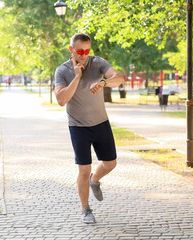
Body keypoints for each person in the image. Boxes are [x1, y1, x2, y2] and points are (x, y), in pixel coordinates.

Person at [54, 33, 124, 224]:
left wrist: (103, 82)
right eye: (80, 51)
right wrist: (77, 77)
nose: (84, 55)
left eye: (87, 50)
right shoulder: (62, 71)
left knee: (111, 163)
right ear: (71, 50)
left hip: (101, 122)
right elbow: (61, 100)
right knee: (83, 169)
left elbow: (119, 78)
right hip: (78, 127)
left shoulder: (98, 63)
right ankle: (85, 209)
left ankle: (95, 180)